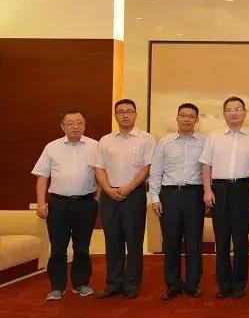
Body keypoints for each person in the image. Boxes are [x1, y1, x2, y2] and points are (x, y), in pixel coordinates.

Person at [32, 110, 99, 301]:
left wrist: (97, 198)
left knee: (82, 247)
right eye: (70, 123)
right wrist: (41, 203)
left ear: (84, 125)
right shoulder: (51, 147)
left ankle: (81, 283)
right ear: (62, 126)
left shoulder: (95, 146)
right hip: (58, 204)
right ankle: (57, 286)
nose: (75, 126)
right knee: (57, 247)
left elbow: (102, 173)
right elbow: (42, 176)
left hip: (86, 203)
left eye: (79, 123)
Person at [199, 96, 249, 299]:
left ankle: (240, 283)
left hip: (242, 189)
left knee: (241, 239)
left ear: (244, 113)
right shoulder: (214, 137)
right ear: (224, 113)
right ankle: (223, 284)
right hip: (219, 189)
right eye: (229, 109)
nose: (234, 113)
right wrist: (207, 190)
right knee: (222, 239)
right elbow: (206, 165)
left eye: (238, 109)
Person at [93, 99, 156, 299]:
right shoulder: (105, 140)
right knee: (112, 241)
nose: (125, 115)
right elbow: (99, 168)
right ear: (115, 115)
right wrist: (107, 189)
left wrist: (128, 188)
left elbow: (147, 167)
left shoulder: (146, 139)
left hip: (134, 195)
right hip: (109, 195)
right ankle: (113, 283)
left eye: (129, 111)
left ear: (135, 114)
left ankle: (131, 284)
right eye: (120, 112)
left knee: (134, 241)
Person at [149, 103, 206, 300]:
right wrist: (155, 198)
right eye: (183, 115)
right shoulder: (165, 142)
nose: (186, 119)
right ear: (177, 117)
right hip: (170, 195)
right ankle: (172, 284)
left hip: (195, 195)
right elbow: (156, 172)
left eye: (191, 116)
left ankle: (192, 284)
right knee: (171, 241)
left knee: (193, 242)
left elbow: (209, 170)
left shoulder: (204, 142)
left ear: (196, 120)